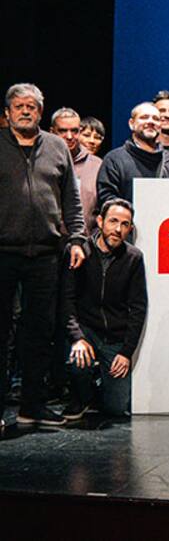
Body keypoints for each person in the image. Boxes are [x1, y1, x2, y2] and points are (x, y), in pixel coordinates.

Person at [0, 84, 87, 428]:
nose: (25, 111)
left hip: (47, 254)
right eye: (19, 106)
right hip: (3, 252)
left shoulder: (55, 146)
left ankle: (32, 406)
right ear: (7, 112)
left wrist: (78, 238)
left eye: (32, 107)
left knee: (40, 332)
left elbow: (72, 199)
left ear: (40, 112)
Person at [63, 198, 145, 419]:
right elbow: (67, 300)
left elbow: (138, 307)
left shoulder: (134, 258)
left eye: (125, 224)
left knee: (117, 408)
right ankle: (80, 396)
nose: (118, 229)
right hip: (86, 331)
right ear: (100, 221)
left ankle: (100, 388)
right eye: (113, 221)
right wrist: (77, 337)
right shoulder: (80, 252)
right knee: (77, 362)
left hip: (114, 338)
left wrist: (126, 352)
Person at [96, 101, 169, 204]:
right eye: (144, 117)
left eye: (156, 119)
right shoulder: (115, 160)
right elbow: (107, 200)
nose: (151, 122)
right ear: (131, 124)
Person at [50, 107, 102, 235]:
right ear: (51, 132)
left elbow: (103, 209)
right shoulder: (40, 162)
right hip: (46, 245)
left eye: (74, 131)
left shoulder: (97, 165)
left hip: (84, 243)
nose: (69, 136)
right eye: (62, 131)